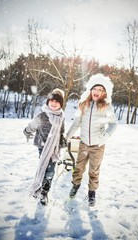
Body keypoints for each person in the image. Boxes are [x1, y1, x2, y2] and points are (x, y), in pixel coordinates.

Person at [66, 73, 117, 207]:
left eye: (100, 90)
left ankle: (92, 192)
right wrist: (67, 136)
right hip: (83, 144)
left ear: (104, 93)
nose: (97, 91)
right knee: (78, 168)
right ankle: (75, 186)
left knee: (94, 171)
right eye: (95, 88)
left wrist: (105, 137)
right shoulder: (84, 105)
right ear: (91, 90)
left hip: (97, 146)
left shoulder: (107, 107)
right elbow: (77, 123)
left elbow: (114, 124)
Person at [23, 88, 66, 205]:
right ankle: (38, 186)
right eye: (52, 100)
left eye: (57, 102)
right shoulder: (42, 115)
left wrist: (62, 142)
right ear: (48, 101)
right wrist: (27, 131)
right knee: (44, 165)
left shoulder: (61, 117)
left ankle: (44, 192)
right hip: (42, 145)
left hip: (54, 148)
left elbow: (61, 131)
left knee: (50, 170)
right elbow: (32, 125)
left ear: (61, 104)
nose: (54, 103)